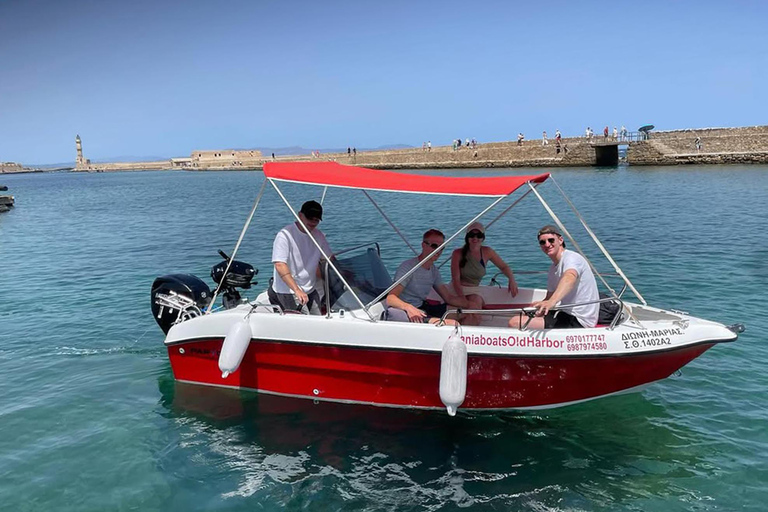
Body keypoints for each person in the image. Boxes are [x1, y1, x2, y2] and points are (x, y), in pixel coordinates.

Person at [509, 225, 598, 329]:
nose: (547, 244)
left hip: (579, 319)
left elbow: (570, 277)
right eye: (543, 242)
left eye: (551, 240)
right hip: (564, 312)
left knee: (514, 322)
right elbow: (549, 296)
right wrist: (541, 304)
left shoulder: (571, 258)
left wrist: (552, 302)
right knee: (524, 315)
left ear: (560, 240)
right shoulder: (552, 268)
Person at [387, 229, 479, 325]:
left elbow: (448, 298)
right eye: (434, 246)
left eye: (441, 247)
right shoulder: (409, 267)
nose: (438, 251)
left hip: (424, 307)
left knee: (468, 313)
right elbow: (391, 297)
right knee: (453, 324)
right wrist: (409, 307)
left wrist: (470, 304)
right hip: (409, 312)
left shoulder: (433, 271)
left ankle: (470, 338)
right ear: (423, 245)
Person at [269, 200, 333, 315]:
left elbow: (329, 259)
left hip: (310, 288)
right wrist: (297, 290)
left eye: (316, 220)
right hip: (289, 290)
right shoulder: (284, 235)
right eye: (310, 218)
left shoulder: (318, 235)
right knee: (303, 324)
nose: (313, 222)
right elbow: (279, 264)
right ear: (300, 215)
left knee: (318, 319)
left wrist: (345, 274)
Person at [451, 222, 518, 325]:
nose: (475, 238)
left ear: (483, 238)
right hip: (457, 288)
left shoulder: (487, 252)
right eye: (471, 235)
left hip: (475, 289)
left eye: (479, 236)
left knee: (475, 305)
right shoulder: (457, 253)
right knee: (472, 307)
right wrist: (463, 300)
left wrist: (511, 279)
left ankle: (470, 334)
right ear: (467, 237)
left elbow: (504, 266)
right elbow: (456, 280)